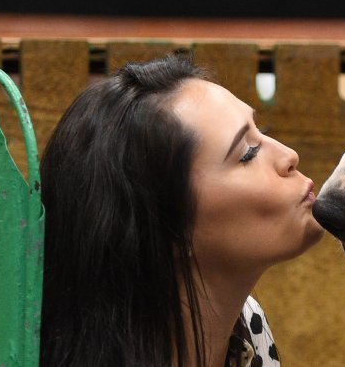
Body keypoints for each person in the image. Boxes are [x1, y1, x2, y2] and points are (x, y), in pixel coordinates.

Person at [39, 54, 324, 367]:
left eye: (263, 132)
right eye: (248, 154)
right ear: (167, 226)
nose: (289, 156)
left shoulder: (248, 327)